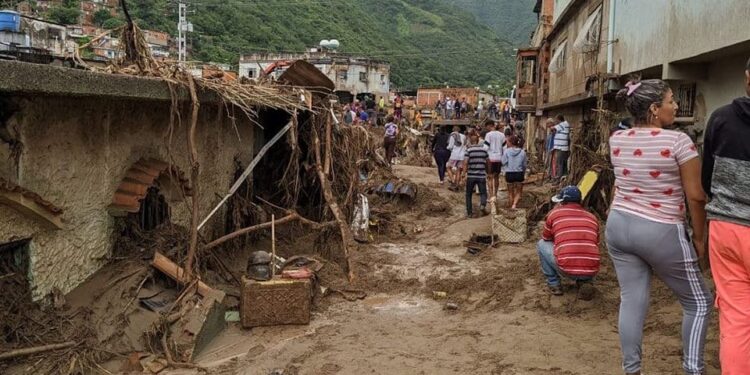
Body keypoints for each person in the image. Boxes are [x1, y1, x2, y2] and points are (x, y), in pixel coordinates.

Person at [607, 79, 711, 375]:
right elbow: (696, 195)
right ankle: (694, 370)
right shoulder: (678, 142)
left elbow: (621, 183)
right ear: (654, 109)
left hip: (618, 226)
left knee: (631, 300)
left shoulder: (617, 138)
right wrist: (700, 239)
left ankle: (632, 370)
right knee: (699, 302)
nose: (676, 106)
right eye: (670, 101)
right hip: (660, 230)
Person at [701, 57, 750, 375]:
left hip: (727, 228)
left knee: (736, 319)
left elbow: (707, 180)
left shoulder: (720, 118)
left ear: (748, 78)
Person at [536, 186, 599, 298]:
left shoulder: (554, 214)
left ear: (562, 202)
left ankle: (554, 284)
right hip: (592, 269)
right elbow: (595, 242)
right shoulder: (592, 218)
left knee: (541, 244)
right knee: (585, 249)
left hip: (566, 268)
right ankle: (585, 282)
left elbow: (546, 237)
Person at [463, 130, 489, 218]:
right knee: (483, 193)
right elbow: (488, 162)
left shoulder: (469, 150)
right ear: (478, 140)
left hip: (471, 175)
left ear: (470, 140)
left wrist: (464, 174)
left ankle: (469, 213)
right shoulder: (484, 150)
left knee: (468, 194)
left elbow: (465, 162)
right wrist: (488, 172)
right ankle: (482, 205)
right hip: (481, 175)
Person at [502, 135, 527, 209]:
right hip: (519, 173)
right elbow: (524, 165)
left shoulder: (506, 151)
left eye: (508, 142)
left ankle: (510, 208)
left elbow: (503, 162)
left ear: (510, 143)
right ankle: (514, 205)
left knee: (510, 192)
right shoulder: (522, 152)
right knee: (519, 192)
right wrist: (523, 172)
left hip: (509, 173)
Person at [483, 121, 505, 200]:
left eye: (487, 127)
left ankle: (491, 195)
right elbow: (504, 148)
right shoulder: (502, 135)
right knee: (496, 177)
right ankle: (495, 195)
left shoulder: (488, 135)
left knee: (489, 177)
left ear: (489, 126)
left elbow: (485, 148)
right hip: (499, 158)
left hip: (490, 158)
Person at [549, 114, 570, 181]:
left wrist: (553, 128)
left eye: (556, 120)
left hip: (561, 148)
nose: (556, 121)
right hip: (561, 148)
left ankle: (558, 179)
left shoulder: (563, 124)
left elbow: (552, 128)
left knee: (559, 163)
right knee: (562, 163)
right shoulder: (563, 125)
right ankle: (563, 178)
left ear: (559, 120)